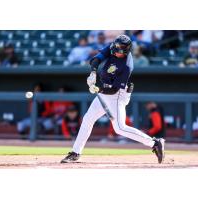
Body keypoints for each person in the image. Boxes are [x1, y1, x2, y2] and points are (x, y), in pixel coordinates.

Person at [61, 35, 165, 164]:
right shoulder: (112, 47)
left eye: (119, 49)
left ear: (126, 50)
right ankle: (76, 152)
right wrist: (93, 72)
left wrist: (98, 89)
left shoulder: (126, 66)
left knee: (120, 128)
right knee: (88, 119)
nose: (115, 50)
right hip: (105, 90)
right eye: (115, 47)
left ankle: (154, 142)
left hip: (117, 95)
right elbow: (96, 59)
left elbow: (114, 90)